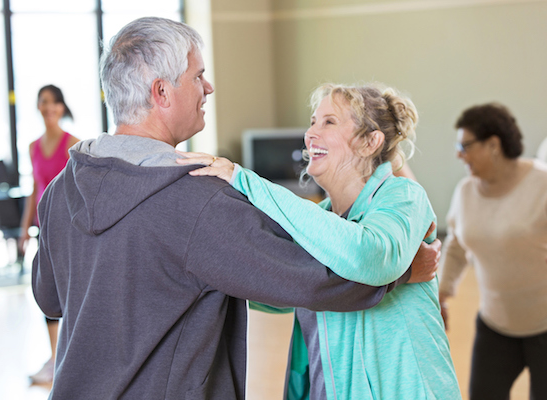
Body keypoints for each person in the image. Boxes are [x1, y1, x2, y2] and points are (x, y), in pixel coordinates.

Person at [31, 17, 439, 399]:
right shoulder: (196, 198)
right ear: (161, 92)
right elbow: (314, 277)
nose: (207, 88)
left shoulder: (60, 190)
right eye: (198, 76)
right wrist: (397, 275)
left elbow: (50, 298)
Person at [178, 83, 460, 399]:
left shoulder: (403, 197)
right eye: (313, 121)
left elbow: (367, 256)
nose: (311, 133)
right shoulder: (320, 220)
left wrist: (246, 181)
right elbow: (281, 289)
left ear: (370, 142)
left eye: (329, 122)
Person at [438, 103, 547, 399]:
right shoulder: (465, 192)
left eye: (466, 146)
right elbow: (457, 246)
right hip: (495, 327)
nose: (460, 154)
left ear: (494, 144)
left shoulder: (542, 184)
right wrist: (442, 292)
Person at [19, 84, 79, 385]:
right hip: (44, 230)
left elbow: (81, 190)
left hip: (68, 229)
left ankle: (72, 356)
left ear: (61, 107)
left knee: (71, 293)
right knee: (47, 292)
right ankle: (55, 359)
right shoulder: (32, 147)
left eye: (54, 102)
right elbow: (34, 190)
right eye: (44, 102)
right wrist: (24, 228)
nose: (49, 107)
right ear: (39, 107)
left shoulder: (74, 145)